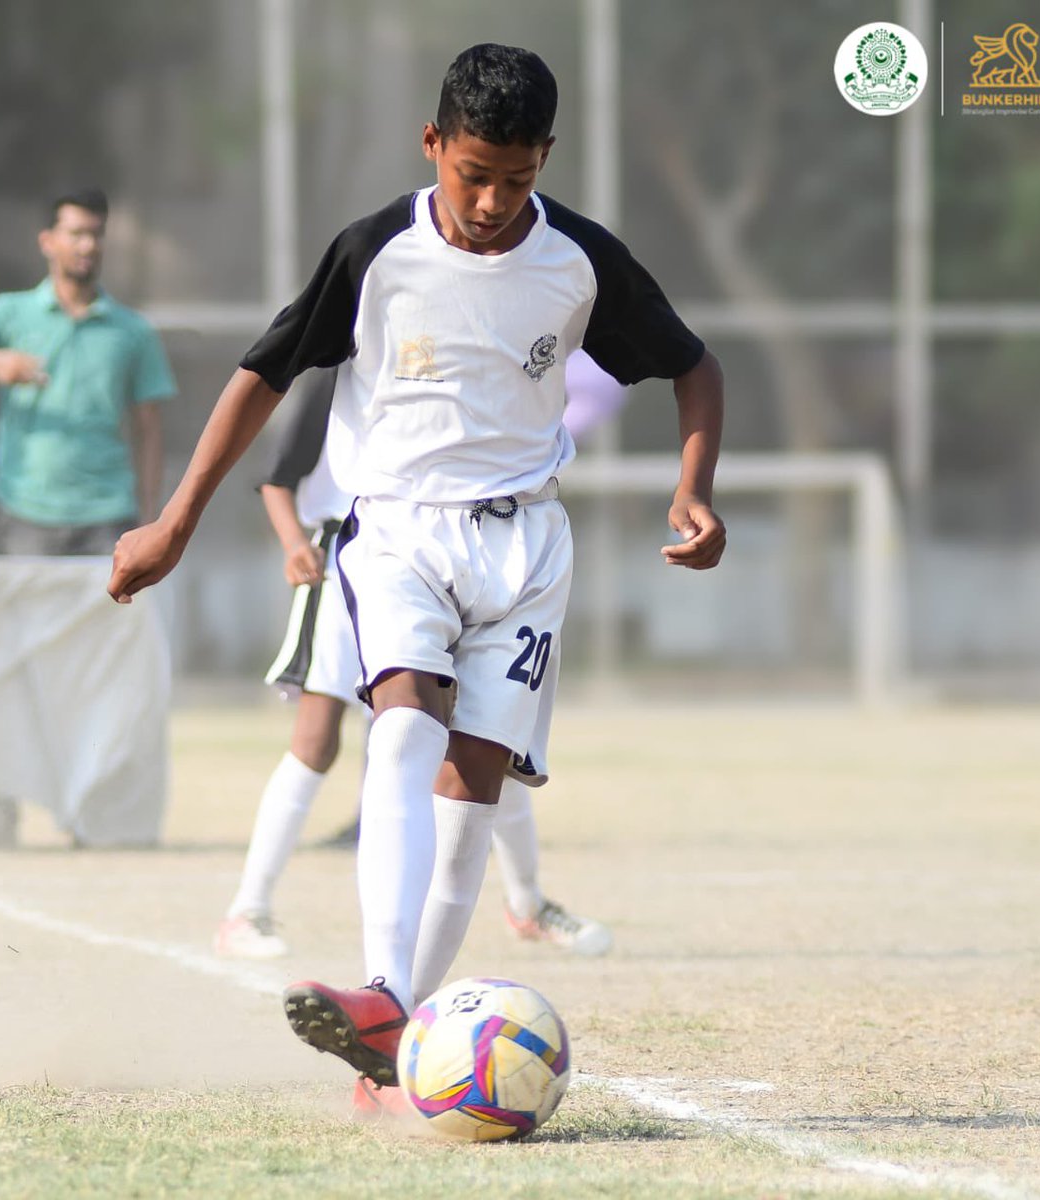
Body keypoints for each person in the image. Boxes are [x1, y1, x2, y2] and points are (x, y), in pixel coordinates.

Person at [108, 44, 725, 1098]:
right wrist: (175, 521)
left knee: (470, 791)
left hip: (526, 547)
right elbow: (263, 375)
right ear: (432, 143)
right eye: (471, 173)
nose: (491, 201)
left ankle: (391, 1038)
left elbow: (693, 365)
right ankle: (387, 999)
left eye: (518, 178)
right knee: (400, 725)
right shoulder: (376, 249)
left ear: (547, 160)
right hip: (395, 530)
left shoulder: (577, 258)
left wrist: (695, 488)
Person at [214, 365, 613, 961]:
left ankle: (528, 904)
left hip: (439, 557)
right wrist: (295, 544)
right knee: (317, 740)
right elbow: (277, 478)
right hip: (350, 558)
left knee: (482, 735)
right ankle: (247, 909)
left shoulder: (449, 365)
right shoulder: (341, 368)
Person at [0, 186, 177, 847]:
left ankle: (89, 812)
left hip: (106, 522)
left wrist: (151, 518)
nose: (86, 244)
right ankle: (3, 808)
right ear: (49, 242)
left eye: (96, 233)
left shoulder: (130, 331)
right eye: (74, 233)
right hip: (26, 516)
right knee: (15, 670)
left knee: (97, 676)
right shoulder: (8, 314)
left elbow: (149, 426)